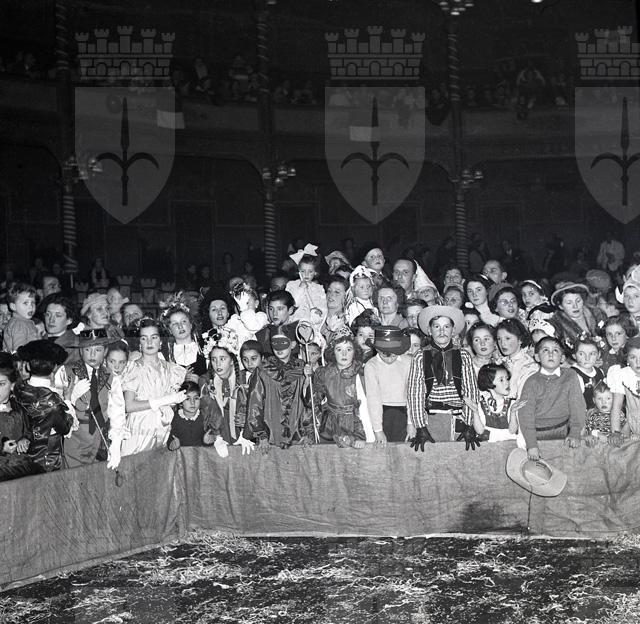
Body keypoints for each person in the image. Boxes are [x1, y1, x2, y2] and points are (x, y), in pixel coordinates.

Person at [407, 305, 479, 447]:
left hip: (459, 418)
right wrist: (420, 426)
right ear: (429, 330)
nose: (442, 331)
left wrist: (469, 423)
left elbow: (471, 391)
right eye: (436, 327)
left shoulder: (463, 356)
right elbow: (415, 393)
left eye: (446, 327)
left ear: (453, 330)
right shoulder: (420, 356)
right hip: (432, 419)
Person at [120, 318, 187, 456]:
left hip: (163, 429)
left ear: (161, 341)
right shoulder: (133, 368)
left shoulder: (172, 370)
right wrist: (162, 401)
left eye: (154, 337)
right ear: (139, 343)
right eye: (144, 338)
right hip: (139, 431)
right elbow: (129, 405)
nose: (149, 342)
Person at [517, 336, 586, 461]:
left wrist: (575, 432)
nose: (551, 354)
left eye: (555, 350)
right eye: (545, 350)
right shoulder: (531, 382)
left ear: (562, 358)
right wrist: (531, 445)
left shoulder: (570, 376)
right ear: (537, 357)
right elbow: (525, 415)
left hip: (564, 431)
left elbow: (577, 405)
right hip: (538, 434)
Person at [243, 331, 315, 449]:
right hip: (271, 435)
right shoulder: (262, 371)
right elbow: (255, 404)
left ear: (292, 344)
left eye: (283, 342)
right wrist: (261, 435)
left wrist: (308, 381)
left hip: (298, 436)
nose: (279, 348)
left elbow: (311, 403)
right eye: (275, 343)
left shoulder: (303, 369)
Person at [13, 340, 75, 472]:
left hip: (18, 457)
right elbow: (65, 428)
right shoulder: (52, 401)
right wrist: (68, 399)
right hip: (46, 459)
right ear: (54, 368)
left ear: (28, 366)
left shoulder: (19, 388)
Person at [312, 332, 370, 448]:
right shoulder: (324, 373)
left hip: (355, 426)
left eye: (348, 349)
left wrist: (360, 435)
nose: (344, 354)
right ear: (333, 352)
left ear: (354, 351)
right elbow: (313, 402)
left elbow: (365, 407)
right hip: (329, 427)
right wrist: (307, 382)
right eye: (339, 349)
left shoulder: (362, 373)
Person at [65, 328, 114, 467]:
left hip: (99, 436)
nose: (92, 354)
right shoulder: (68, 372)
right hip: (75, 436)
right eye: (87, 349)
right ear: (81, 351)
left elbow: (114, 406)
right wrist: (71, 399)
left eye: (98, 350)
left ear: (105, 351)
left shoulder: (110, 375)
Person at [364, 326, 413, 445]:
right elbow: (373, 398)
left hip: (404, 412)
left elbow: (412, 394)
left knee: (403, 449)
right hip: (381, 413)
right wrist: (378, 430)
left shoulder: (408, 362)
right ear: (377, 350)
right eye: (385, 355)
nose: (390, 360)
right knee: (383, 449)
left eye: (394, 355)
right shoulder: (371, 365)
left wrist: (411, 423)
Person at [549, 282, 605, 354]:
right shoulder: (556, 326)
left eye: (578, 301)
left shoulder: (597, 314)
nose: (575, 306)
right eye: (569, 303)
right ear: (560, 306)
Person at [471, 363, 518, 443]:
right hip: (489, 446)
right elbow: (480, 431)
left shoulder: (513, 403)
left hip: (510, 444)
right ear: (489, 384)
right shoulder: (481, 405)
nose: (507, 383)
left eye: (507, 379)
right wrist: (475, 412)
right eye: (501, 380)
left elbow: (512, 431)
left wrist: (513, 413)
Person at [606, 335, 640, 444]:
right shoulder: (623, 375)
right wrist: (616, 431)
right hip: (635, 426)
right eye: (633, 357)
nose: (638, 362)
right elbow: (616, 406)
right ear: (627, 359)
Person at [162, 300, 207, 379]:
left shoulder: (205, 347)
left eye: (183, 321)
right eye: (175, 324)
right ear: (169, 330)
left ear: (191, 324)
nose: (180, 326)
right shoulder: (164, 354)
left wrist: (201, 380)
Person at [285, 251, 328, 333]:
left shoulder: (319, 288)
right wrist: (300, 289)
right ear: (298, 271)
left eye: (310, 271)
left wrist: (320, 311)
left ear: (315, 272)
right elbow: (292, 304)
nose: (306, 274)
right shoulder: (292, 285)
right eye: (303, 271)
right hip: (294, 325)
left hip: (312, 326)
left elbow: (323, 306)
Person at [495, 318, 537, 399]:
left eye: (507, 338)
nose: (502, 344)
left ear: (520, 340)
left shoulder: (528, 365)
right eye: (499, 339)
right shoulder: (500, 362)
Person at [223, 284, 269, 359]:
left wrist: (244, 309)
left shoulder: (261, 316)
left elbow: (252, 326)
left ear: (256, 303)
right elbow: (226, 332)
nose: (242, 306)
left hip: (255, 356)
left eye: (246, 302)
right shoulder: (235, 319)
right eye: (240, 303)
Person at [0, 353, 30, 455]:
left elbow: (29, 431)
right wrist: (2, 448)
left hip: (21, 461)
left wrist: (25, 440)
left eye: (1, 384)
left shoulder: (19, 405)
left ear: (12, 385)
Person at [255, 290, 299, 357]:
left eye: (280, 309)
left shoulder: (298, 332)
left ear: (290, 310)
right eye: (271, 309)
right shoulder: (262, 334)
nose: (274, 313)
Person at [40, 293, 80, 363]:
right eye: (48, 314)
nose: (51, 320)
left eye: (58, 316)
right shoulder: (38, 339)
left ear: (69, 320)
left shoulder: (76, 346)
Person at [3, 282, 38, 352]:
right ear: (13, 306)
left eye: (33, 302)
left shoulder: (24, 321)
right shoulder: (19, 324)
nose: (31, 307)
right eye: (25, 303)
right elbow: (19, 351)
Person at [571, 338, 605, 411]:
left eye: (592, 354)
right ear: (574, 355)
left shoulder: (599, 372)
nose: (587, 358)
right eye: (581, 354)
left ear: (598, 355)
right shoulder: (573, 375)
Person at [321, 277, 349, 346]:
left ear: (345, 297)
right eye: (329, 291)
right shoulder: (318, 317)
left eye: (337, 292)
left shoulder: (346, 323)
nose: (331, 295)